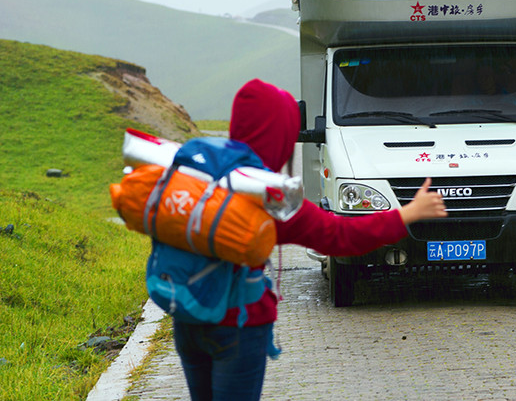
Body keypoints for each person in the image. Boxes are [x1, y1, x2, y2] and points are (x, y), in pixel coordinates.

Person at [172, 79, 447, 401]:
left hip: (188, 318)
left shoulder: (198, 173)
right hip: (238, 325)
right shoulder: (269, 194)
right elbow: (340, 236)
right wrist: (407, 214)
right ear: (280, 134)